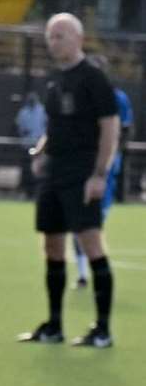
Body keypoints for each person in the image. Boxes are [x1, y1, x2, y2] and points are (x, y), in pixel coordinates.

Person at [18, 14, 120, 347]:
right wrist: (41, 152)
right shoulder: (54, 80)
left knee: (90, 243)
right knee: (51, 245)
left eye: (60, 35)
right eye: (50, 35)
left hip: (82, 173)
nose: (53, 41)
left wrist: (100, 174)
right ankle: (54, 326)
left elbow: (109, 127)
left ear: (78, 38)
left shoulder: (93, 78)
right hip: (55, 173)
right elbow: (54, 125)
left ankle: (102, 330)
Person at [71, 57, 131, 289]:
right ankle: (83, 274)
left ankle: (93, 273)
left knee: (93, 224)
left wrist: (111, 158)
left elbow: (124, 130)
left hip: (105, 170)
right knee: (80, 225)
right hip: (79, 168)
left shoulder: (118, 98)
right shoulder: (77, 95)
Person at [16, 92, 47, 196]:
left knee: (40, 169)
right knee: (26, 170)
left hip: (39, 145)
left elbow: (46, 126)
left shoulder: (42, 110)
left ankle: (38, 191)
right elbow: (20, 128)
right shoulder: (23, 112)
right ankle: (27, 191)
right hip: (27, 145)